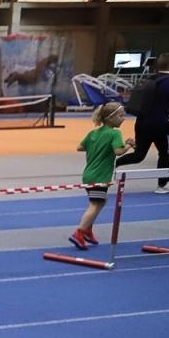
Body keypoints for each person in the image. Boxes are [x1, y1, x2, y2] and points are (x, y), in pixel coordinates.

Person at [69, 102, 134, 251]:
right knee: (95, 204)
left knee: (99, 201)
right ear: (110, 118)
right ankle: (79, 232)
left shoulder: (93, 133)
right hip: (100, 176)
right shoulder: (114, 133)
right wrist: (129, 144)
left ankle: (87, 231)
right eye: (121, 115)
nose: (123, 118)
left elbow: (80, 147)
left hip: (88, 174)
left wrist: (97, 148)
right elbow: (118, 151)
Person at [116, 52, 169, 193]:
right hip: (161, 125)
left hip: (142, 123)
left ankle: (113, 165)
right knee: (165, 153)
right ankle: (163, 184)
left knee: (139, 155)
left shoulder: (148, 79)